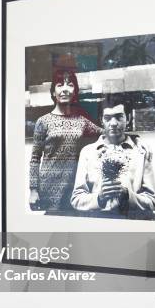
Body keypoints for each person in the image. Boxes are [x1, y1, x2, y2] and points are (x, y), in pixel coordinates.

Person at [71, 96, 155, 220]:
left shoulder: (141, 152)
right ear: (101, 120)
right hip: (97, 224)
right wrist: (98, 198)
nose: (113, 123)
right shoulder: (88, 152)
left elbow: (153, 202)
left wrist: (129, 197)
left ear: (128, 118)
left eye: (118, 117)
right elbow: (76, 199)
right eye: (107, 118)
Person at [29, 67, 101, 214]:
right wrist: (33, 190)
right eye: (60, 84)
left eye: (70, 84)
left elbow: (107, 135)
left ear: (75, 91)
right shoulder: (43, 121)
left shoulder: (82, 121)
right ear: (53, 91)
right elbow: (35, 159)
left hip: (74, 186)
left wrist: (133, 139)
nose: (65, 89)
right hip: (49, 187)